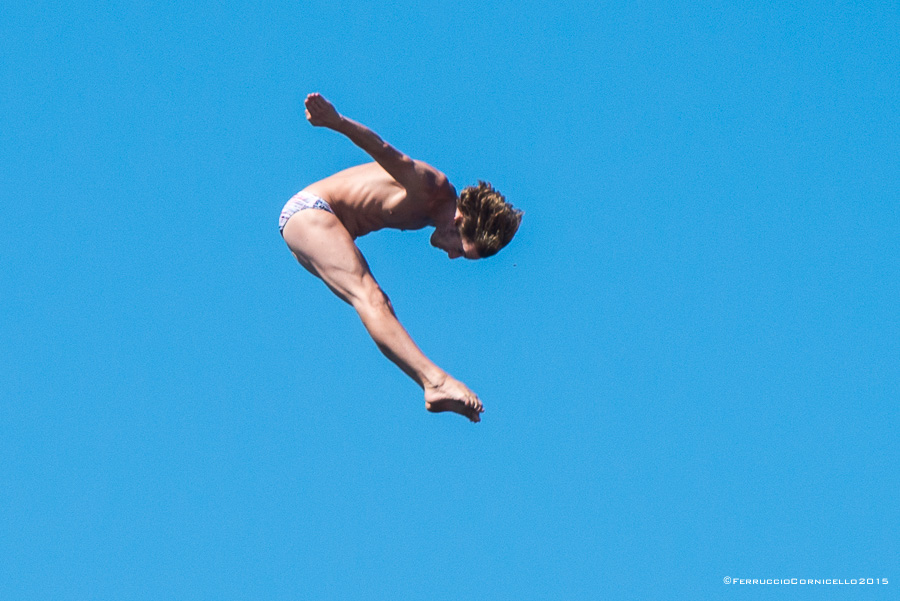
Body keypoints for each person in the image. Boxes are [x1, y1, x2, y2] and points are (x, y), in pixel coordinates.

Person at [279, 93, 523, 423]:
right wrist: (336, 122)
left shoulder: (433, 212)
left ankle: (433, 382)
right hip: (310, 212)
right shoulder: (431, 186)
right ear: (459, 221)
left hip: (319, 229)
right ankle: (435, 382)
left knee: (372, 299)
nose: (451, 256)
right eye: (459, 248)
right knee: (372, 298)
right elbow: (383, 149)